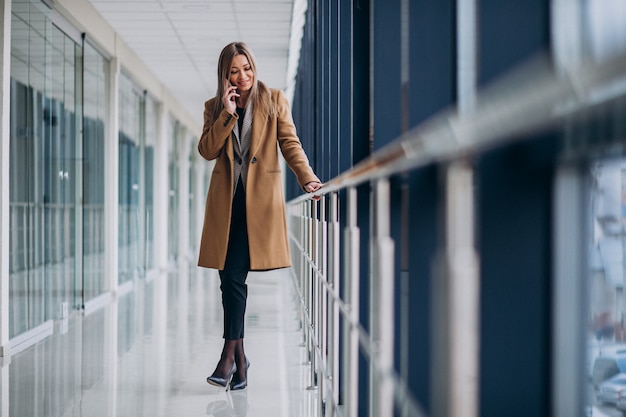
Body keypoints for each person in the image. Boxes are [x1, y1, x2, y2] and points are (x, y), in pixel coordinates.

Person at [197, 41, 322, 391]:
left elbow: (290, 143)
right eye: (235, 70)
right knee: (230, 278)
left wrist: (307, 176)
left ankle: (228, 357)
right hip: (227, 205)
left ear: (254, 67)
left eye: (247, 68)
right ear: (225, 75)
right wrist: (227, 112)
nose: (243, 76)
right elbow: (207, 150)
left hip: (259, 206)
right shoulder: (214, 107)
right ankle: (239, 359)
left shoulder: (274, 99)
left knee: (233, 278)